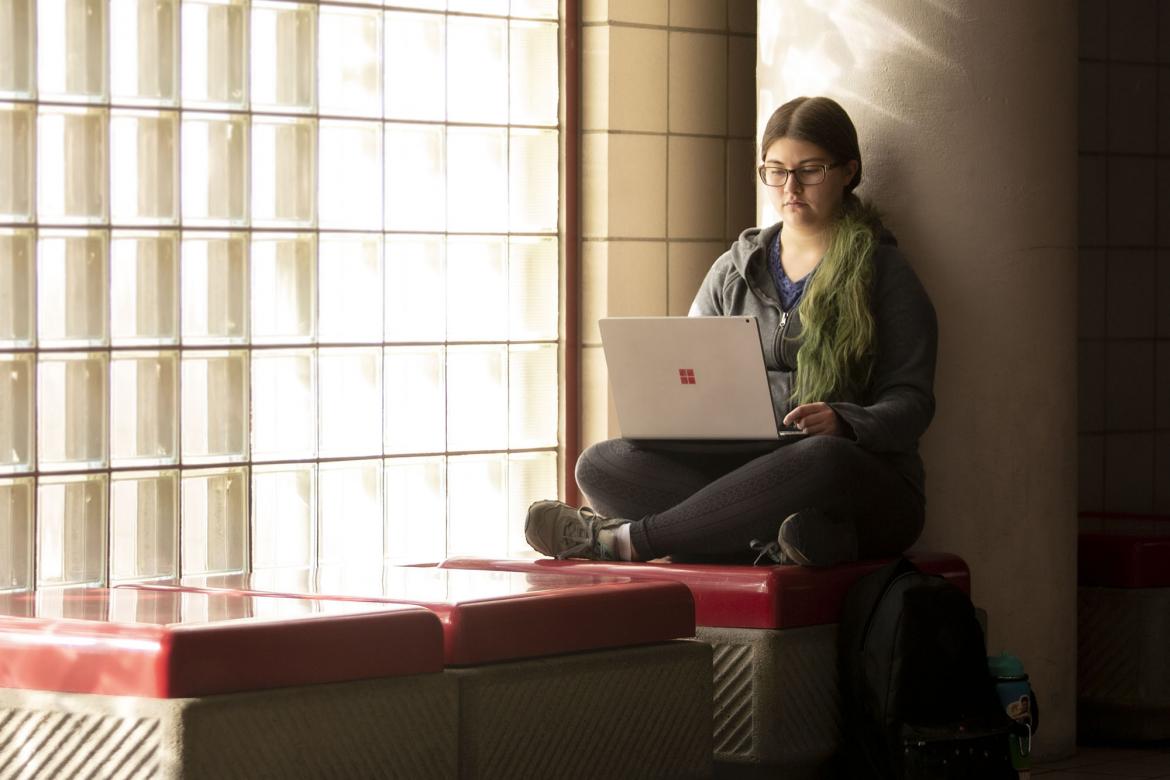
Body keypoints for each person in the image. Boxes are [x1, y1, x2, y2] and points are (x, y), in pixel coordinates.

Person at [526, 96, 938, 567]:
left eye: (810, 170)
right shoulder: (735, 271)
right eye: (776, 171)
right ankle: (788, 538)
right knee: (600, 464)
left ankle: (628, 541)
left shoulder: (883, 271)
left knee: (822, 457)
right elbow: (694, 366)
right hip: (746, 467)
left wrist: (847, 422)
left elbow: (912, 403)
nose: (791, 187)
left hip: (853, 477)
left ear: (848, 171)